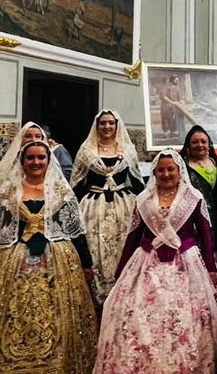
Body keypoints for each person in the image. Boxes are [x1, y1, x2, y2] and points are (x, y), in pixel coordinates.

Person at [0, 122, 98, 373]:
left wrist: (86, 265)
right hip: (12, 262)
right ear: (22, 161)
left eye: (41, 158)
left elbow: (76, 232)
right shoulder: (8, 192)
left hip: (57, 262)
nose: (36, 162)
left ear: (49, 160)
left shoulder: (61, 191)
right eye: (31, 158)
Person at [94, 150, 217, 373]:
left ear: (179, 171)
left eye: (170, 169)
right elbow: (133, 236)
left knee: (187, 319)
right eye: (161, 170)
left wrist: (211, 269)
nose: (166, 174)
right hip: (147, 264)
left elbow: (205, 235)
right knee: (137, 316)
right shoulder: (143, 199)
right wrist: (121, 272)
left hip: (185, 265)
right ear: (154, 173)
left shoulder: (193, 197)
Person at [70, 109, 145, 303]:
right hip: (93, 206)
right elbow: (77, 182)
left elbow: (137, 182)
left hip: (123, 207)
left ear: (117, 126)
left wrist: (148, 205)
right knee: (95, 246)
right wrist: (69, 209)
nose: (107, 126)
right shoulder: (86, 150)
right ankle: (97, 297)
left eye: (111, 123)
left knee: (122, 247)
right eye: (103, 123)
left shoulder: (127, 150)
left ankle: (122, 295)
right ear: (97, 126)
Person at [183, 125, 217, 257]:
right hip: (194, 222)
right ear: (188, 145)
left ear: (209, 144)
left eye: (203, 141)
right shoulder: (183, 167)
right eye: (195, 142)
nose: (200, 145)